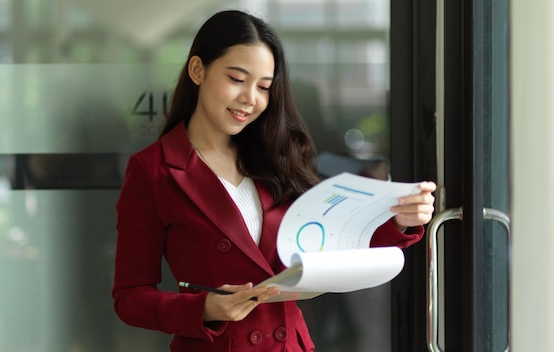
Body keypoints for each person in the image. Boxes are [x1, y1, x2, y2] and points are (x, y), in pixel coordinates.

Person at [112, 10, 437, 352]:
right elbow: (129, 297)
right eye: (237, 79)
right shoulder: (153, 169)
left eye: (264, 87)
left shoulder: (275, 158)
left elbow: (334, 246)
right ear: (198, 70)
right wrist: (204, 308)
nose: (250, 99)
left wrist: (398, 220)